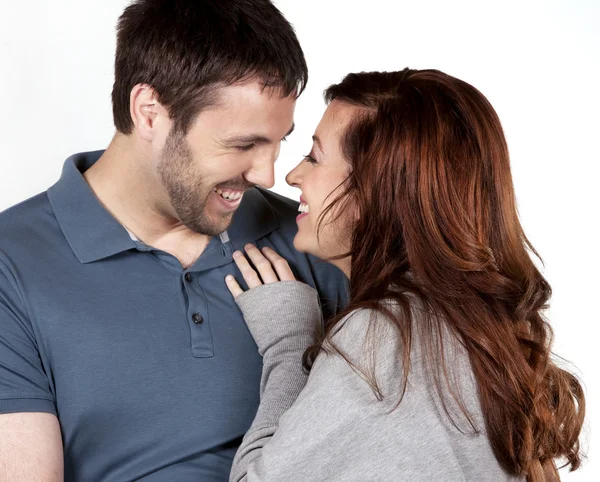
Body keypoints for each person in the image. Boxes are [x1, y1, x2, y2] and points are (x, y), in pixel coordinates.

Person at [0, 1, 348, 480]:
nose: (269, 175)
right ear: (149, 112)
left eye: (280, 142)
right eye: (243, 145)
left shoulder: (313, 238)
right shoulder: (12, 262)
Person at [226, 69, 586, 481]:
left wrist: (290, 346)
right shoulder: (475, 329)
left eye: (314, 157)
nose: (292, 176)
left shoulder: (383, 336)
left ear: (371, 192)